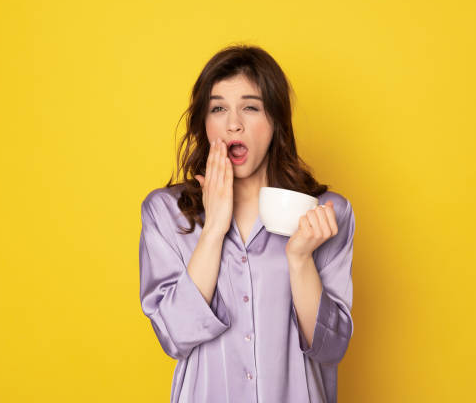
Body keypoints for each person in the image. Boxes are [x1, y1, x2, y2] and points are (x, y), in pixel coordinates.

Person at [139, 44, 355, 403]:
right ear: (203, 123)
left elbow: (331, 349)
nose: (233, 123)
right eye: (218, 108)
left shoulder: (325, 214)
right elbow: (174, 335)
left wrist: (300, 260)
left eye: (251, 107)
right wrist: (213, 232)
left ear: (275, 121)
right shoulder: (165, 212)